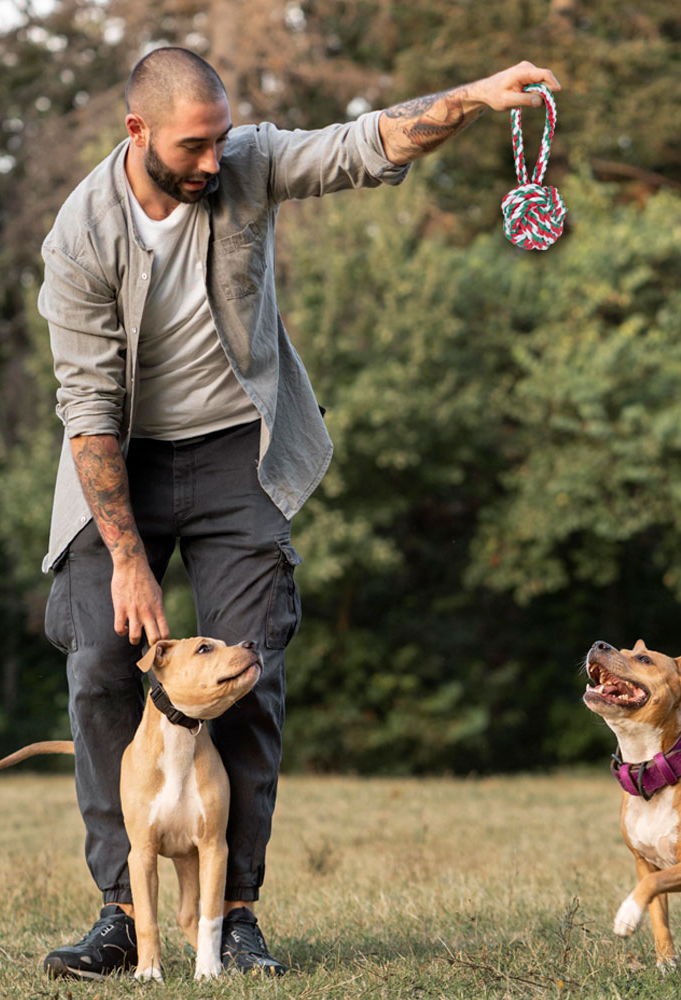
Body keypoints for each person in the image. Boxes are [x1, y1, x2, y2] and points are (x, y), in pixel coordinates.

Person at [37, 45, 561, 980]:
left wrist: (476, 98)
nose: (213, 161)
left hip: (238, 453)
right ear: (137, 131)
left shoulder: (245, 163)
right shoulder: (81, 237)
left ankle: (233, 913)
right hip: (120, 460)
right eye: (193, 146)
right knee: (104, 670)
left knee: (249, 671)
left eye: (220, 140)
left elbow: (364, 144)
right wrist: (127, 560)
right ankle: (123, 911)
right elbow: (87, 410)